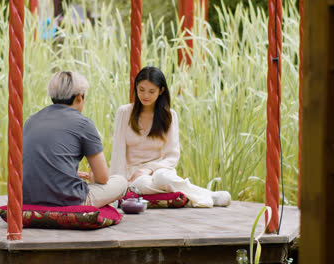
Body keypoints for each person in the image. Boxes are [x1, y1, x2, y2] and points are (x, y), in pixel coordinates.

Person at [110, 66, 231, 208]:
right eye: (141, 89)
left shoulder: (169, 115)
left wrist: (149, 169)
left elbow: (172, 156)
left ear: (161, 91)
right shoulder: (124, 112)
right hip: (134, 175)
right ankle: (207, 195)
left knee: (163, 177)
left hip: (160, 169)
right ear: (136, 87)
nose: (145, 95)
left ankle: (200, 195)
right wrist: (117, 185)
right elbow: (117, 152)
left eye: (151, 91)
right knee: (144, 183)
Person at [22, 71, 127, 208]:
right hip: (69, 201)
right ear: (79, 97)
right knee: (121, 181)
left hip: (28, 198)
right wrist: (93, 178)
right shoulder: (83, 123)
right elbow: (102, 178)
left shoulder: (31, 120)